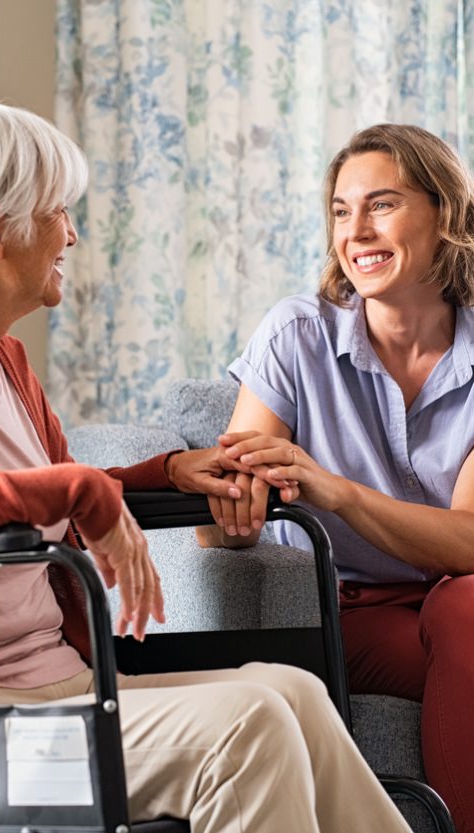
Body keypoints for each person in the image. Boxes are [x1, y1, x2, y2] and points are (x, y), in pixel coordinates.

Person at [0, 99, 413, 833]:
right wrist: (76, 483)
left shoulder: (7, 366)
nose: (73, 233)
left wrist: (172, 470)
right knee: (249, 726)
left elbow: (39, 500)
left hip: (63, 691)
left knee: (294, 692)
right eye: (58, 212)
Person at [208, 122, 474, 833]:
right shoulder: (296, 336)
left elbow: (468, 543)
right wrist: (237, 501)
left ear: (444, 213)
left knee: (465, 603)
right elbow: (230, 498)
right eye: (340, 210)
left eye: (381, 205)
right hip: (348, 607)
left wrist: (333, 488)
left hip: (453, 603)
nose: (356, 230)